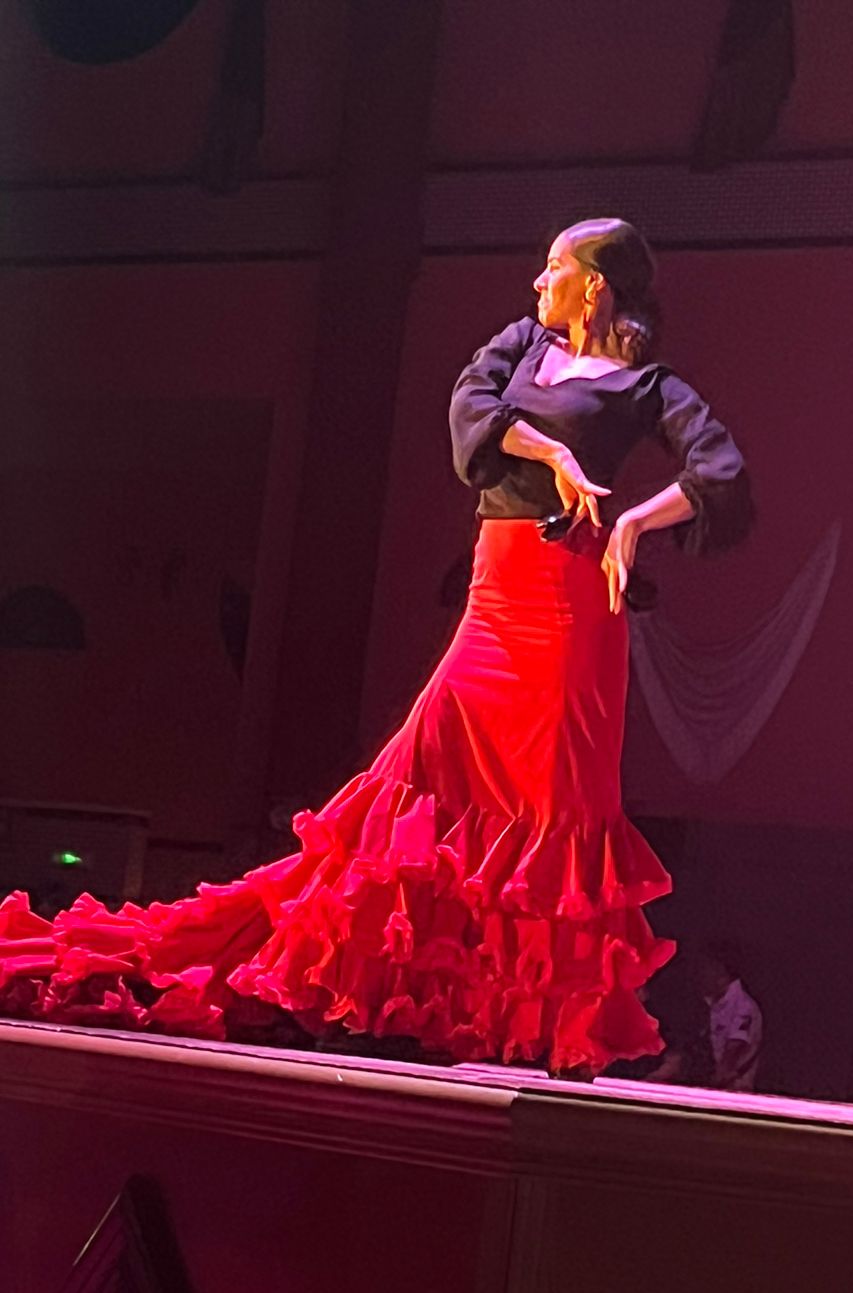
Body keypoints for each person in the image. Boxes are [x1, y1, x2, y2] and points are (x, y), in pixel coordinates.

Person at [0, 218, 751, 1075]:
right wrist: (551, 453)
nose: (538, 282)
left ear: (596, 287)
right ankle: (383, 996)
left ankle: (518, 1023)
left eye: (554, 269)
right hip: (498, 596)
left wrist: (633, 523)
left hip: (574, 609)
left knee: (551, 808)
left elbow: (721, 474)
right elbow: (473, 412)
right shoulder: (522, 345)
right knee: (422, 781)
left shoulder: (648, 386)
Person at [698, 941, 762, 1092]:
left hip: (736, 1089)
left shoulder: (743, 1006)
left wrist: (720, 1075)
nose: (700, 974)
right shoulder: (713, 1003)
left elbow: (735, 1045)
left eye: (706, 967)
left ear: (721, 971)